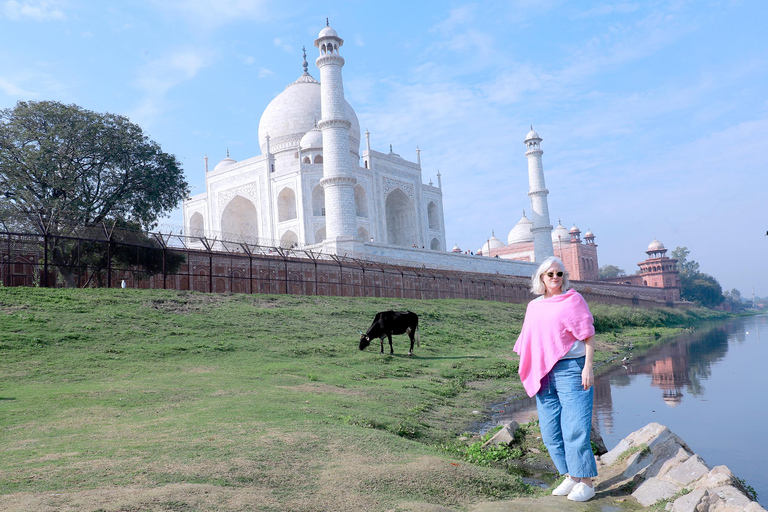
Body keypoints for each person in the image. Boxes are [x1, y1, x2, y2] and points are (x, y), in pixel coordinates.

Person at [513, 256, 597, 502]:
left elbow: (588, 334)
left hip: (572, 368)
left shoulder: (573, 300)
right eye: (550, 274)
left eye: (559, 274)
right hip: (544, 372)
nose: (555, 278)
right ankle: (571, 475)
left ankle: (587, 482)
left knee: (575, 428)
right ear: (541, 277)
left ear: (564, 277)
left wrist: (588, 368)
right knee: (550, 431)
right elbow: (531, 339)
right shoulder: (535, 306)